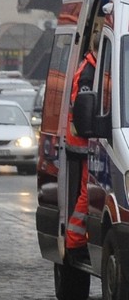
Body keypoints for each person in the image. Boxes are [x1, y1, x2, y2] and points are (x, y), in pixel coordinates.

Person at [65, 32, 100, 259]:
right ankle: (75, 243)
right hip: (83, 142)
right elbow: (83, 110)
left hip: (83, 141)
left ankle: (75, 241)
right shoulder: (88, 73)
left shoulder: (89, 67)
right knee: (87, 193)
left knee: (85, 192)